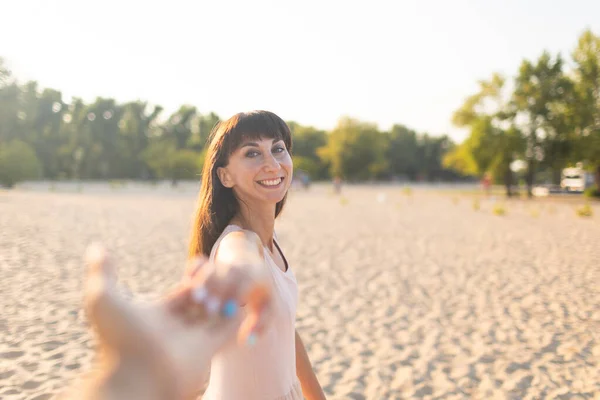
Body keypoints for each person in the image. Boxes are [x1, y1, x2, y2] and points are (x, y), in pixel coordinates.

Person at [187, 110, 326, 400]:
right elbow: (238, 259)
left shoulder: (270, 240)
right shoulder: (238, 241)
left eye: (278, 149)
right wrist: (243, 277)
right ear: (224, 175)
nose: (272, 163)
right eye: (252, 154)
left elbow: (285, 330)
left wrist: (315, 395)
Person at [62, 242, 274, 400]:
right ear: (225, 179)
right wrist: (243, 267)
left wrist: (144, 374)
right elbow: (237, 247)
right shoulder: (237, 235)